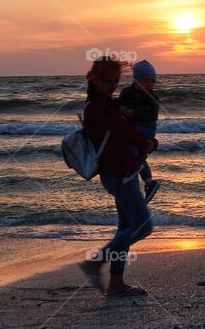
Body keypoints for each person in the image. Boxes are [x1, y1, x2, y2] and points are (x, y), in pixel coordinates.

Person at [78, 57, 158, 297]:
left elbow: (125, 130)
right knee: (143, 226)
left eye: (115, 81)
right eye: (106, 81)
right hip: (118, 173)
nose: (112, 86)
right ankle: (96, 262)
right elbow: (125, 132)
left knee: (125, 227)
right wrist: (148, 142)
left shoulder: (104, 103)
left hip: (125, 170)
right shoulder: (100, 108)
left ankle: (116, 283)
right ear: (94, 79)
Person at [117, 59, 161, 202]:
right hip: (132, 126)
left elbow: (150, 112)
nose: (149, 84)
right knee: (138, 155)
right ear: (136, 81)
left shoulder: (153, 97)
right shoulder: (127, 93)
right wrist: (120, 109)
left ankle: (137, 173)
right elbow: (118, 104)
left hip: (146, 128)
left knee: (134, 151)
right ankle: (148, 182)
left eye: (151, 81)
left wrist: (132, 113)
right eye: (144, 81)